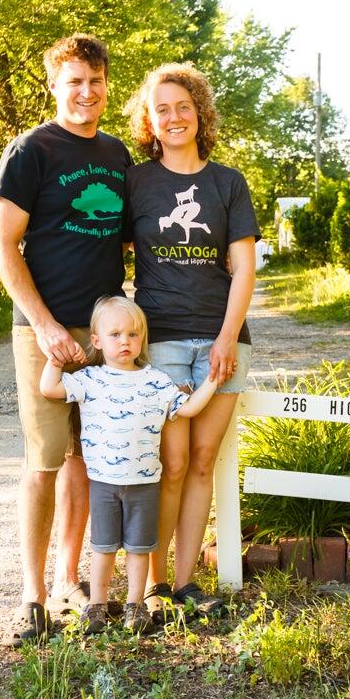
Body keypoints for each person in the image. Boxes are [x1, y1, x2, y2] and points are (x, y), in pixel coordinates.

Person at [0, 33, 130, 643]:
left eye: (95, 81)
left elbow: (126, 237)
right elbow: (3, 244)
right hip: (41, 329)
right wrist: (44, 327)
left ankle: (70, 582)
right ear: (55, 85)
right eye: (74, 81)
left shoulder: (118, 153)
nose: (86, 92)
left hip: (100, 331)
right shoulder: (31, 150)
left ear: (105, 87)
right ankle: (33, 595)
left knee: (89, 457)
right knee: (47, 457)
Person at [123, 63, 258, 617]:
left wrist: (227, 337)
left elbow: (244, 269)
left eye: (183, 106)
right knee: (169, 463)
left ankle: (185, 585)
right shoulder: (136, 182)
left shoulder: (228, 183)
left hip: (223, 339)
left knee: (203, 460)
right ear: (149, 121)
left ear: (199, 112)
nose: (174, 117)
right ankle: (154, 586)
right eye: (162, 109)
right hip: (164, 341)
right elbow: (109, 257)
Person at [40, 296, 219, 634]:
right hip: (104, 482)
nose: (125, 341)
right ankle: (97, 606)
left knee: (139, 548)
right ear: (97, 341)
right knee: (103, 547)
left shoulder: (157, 382)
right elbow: (49, 388)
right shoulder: (90, 379)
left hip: (145, 482)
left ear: (143, 340)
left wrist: (211, 381)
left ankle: (135, 606)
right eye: (116, 334)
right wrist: (56, 358)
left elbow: (190, 408)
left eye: (133, 335)